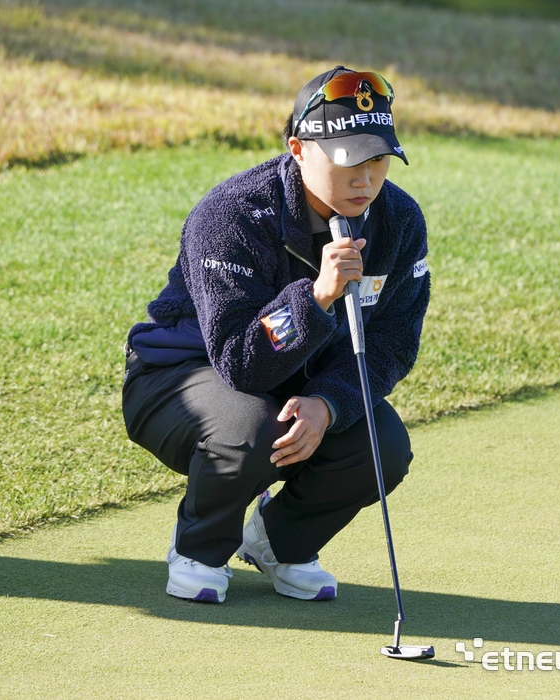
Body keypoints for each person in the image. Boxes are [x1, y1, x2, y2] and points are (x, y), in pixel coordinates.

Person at [122, 66, 431, 603]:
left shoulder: (398, 219)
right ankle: (198, 550)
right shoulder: (233, 213)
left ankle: (280, 542)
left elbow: (393, 342)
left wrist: (328, 404)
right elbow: (239, 361)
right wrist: (316, 297)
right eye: (347, 159)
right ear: (297, 149)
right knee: (253, 427)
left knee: (383, 448)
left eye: (378, 158)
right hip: (178, 379)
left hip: (295, 382)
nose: (365, 179)